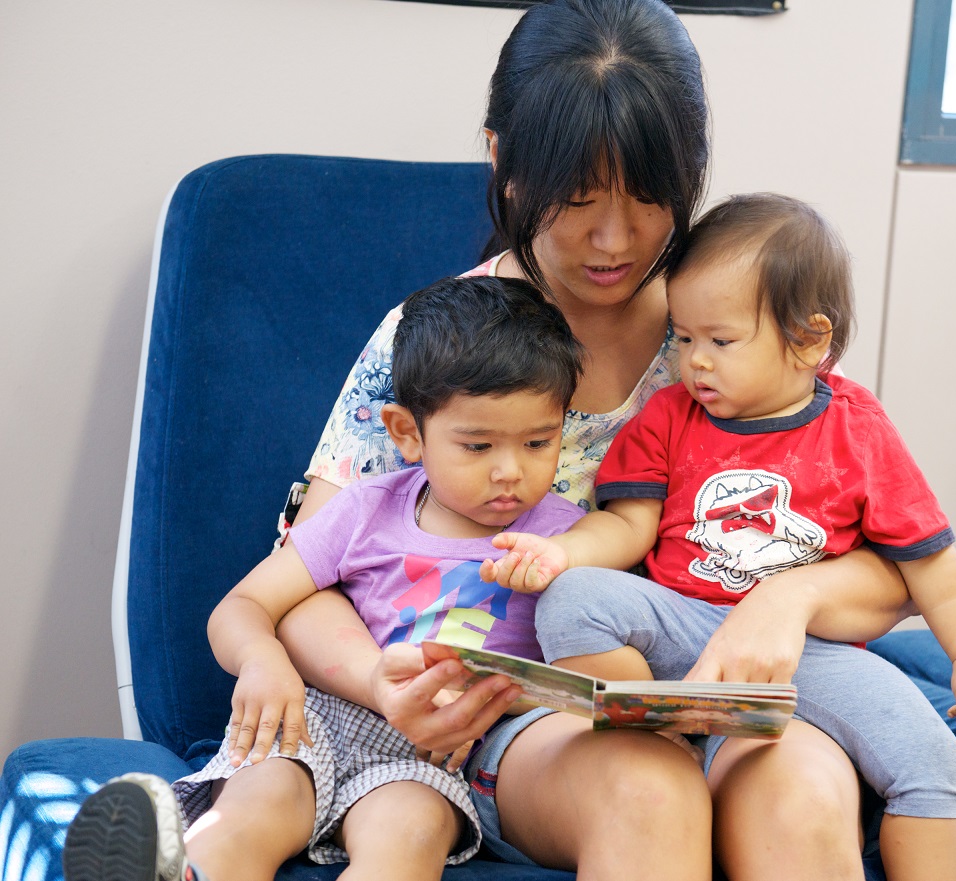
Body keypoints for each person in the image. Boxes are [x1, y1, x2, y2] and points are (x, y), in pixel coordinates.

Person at [276, 1, 918, 878]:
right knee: (646, 786)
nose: (614, 241)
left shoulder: (731, 333)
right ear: (504, 160)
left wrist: (787, 598)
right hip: (536, 725)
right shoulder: (435, 346)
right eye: (576, 201)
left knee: (806, 794)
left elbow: (903, 567)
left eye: (650, 198)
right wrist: (377, 682)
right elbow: (304, 575)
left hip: (729, 694)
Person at [481, 193, 956, 881]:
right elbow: (629, 524)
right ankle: (659, 728)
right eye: (684, 337)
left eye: (720, 341)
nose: (694, 361)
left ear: (810, 340)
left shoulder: (857, 428)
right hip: (681, 626)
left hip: (802, 654)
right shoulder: (672, 415)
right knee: (573, 599)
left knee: (929, 759)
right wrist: (561, 553)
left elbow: (929, 559)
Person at [64, 276, 589, 881]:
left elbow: (589, 665)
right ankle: (185, 871)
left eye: (537, 442)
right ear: (407, 433)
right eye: (476, 446)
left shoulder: (564, 541)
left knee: (407, 834)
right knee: (256, 806)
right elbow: (242, 605)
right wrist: (263, 660)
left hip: (434, 752)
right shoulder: (367, 509)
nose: (509, 471)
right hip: (315, 715)